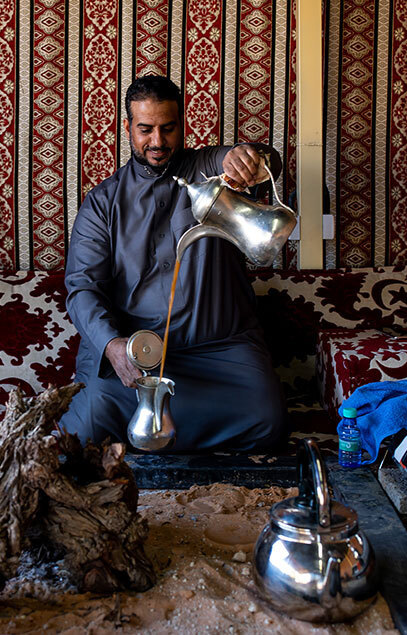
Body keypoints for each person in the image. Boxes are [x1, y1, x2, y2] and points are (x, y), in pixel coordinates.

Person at [58, 75, 286, 452]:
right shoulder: (102, 202)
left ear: (183, 124)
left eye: (168, 128)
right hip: (137, 351)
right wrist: (112, 346)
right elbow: (82, 288)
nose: (158, 142)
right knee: (85, 428)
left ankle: (155, 444)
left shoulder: (213, 170)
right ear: (128, 127)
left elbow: (262, 162)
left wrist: (247, 156)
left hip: (219, 348)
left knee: (268, 420)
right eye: (145, 129)